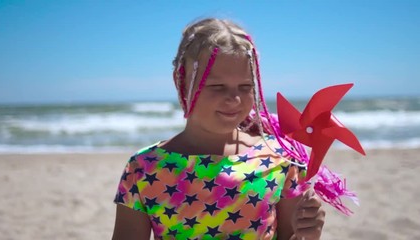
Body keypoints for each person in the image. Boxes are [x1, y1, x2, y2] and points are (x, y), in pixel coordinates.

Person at [112, 18, 325, 240]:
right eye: (216, 86)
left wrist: (308, 235)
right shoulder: (144, 168)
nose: (234, 99)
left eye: (245, 87)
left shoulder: (280, 159)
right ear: (181, 82)